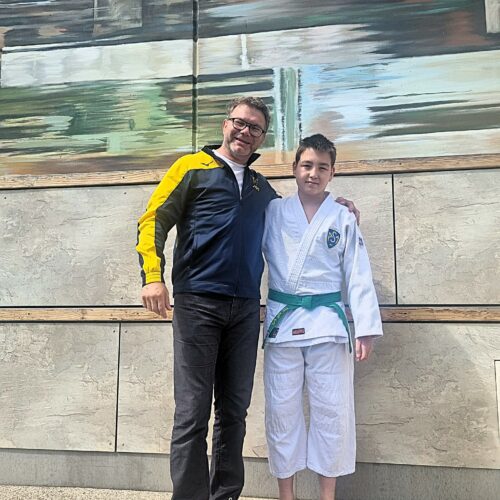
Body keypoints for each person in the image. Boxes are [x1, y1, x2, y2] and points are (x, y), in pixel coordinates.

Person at [136, 97, 359, 500]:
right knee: (192, 412)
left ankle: (225, 496)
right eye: (240, 122)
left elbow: (296, 215)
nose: (245, 131)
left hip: (243, 310)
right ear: (226, 124)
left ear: (261, 137)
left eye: (255, 128)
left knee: (234, 413)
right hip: (198, 303)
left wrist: (335, 206)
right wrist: (153, 277)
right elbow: (153, 219)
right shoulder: (191, 168)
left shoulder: (260, 188)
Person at [262, 134, 383, 500]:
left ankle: (326, 496)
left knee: (333, 411)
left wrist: (365, 329)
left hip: (329, 327)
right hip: (283, 324)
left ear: (333, 173)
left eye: (322, 167)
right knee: (281, 411)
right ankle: (287, 495)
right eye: (306, 165)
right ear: (294, 168)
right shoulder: (273, 211)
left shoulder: (342, 215)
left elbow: (358, 272)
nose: (313, 173)